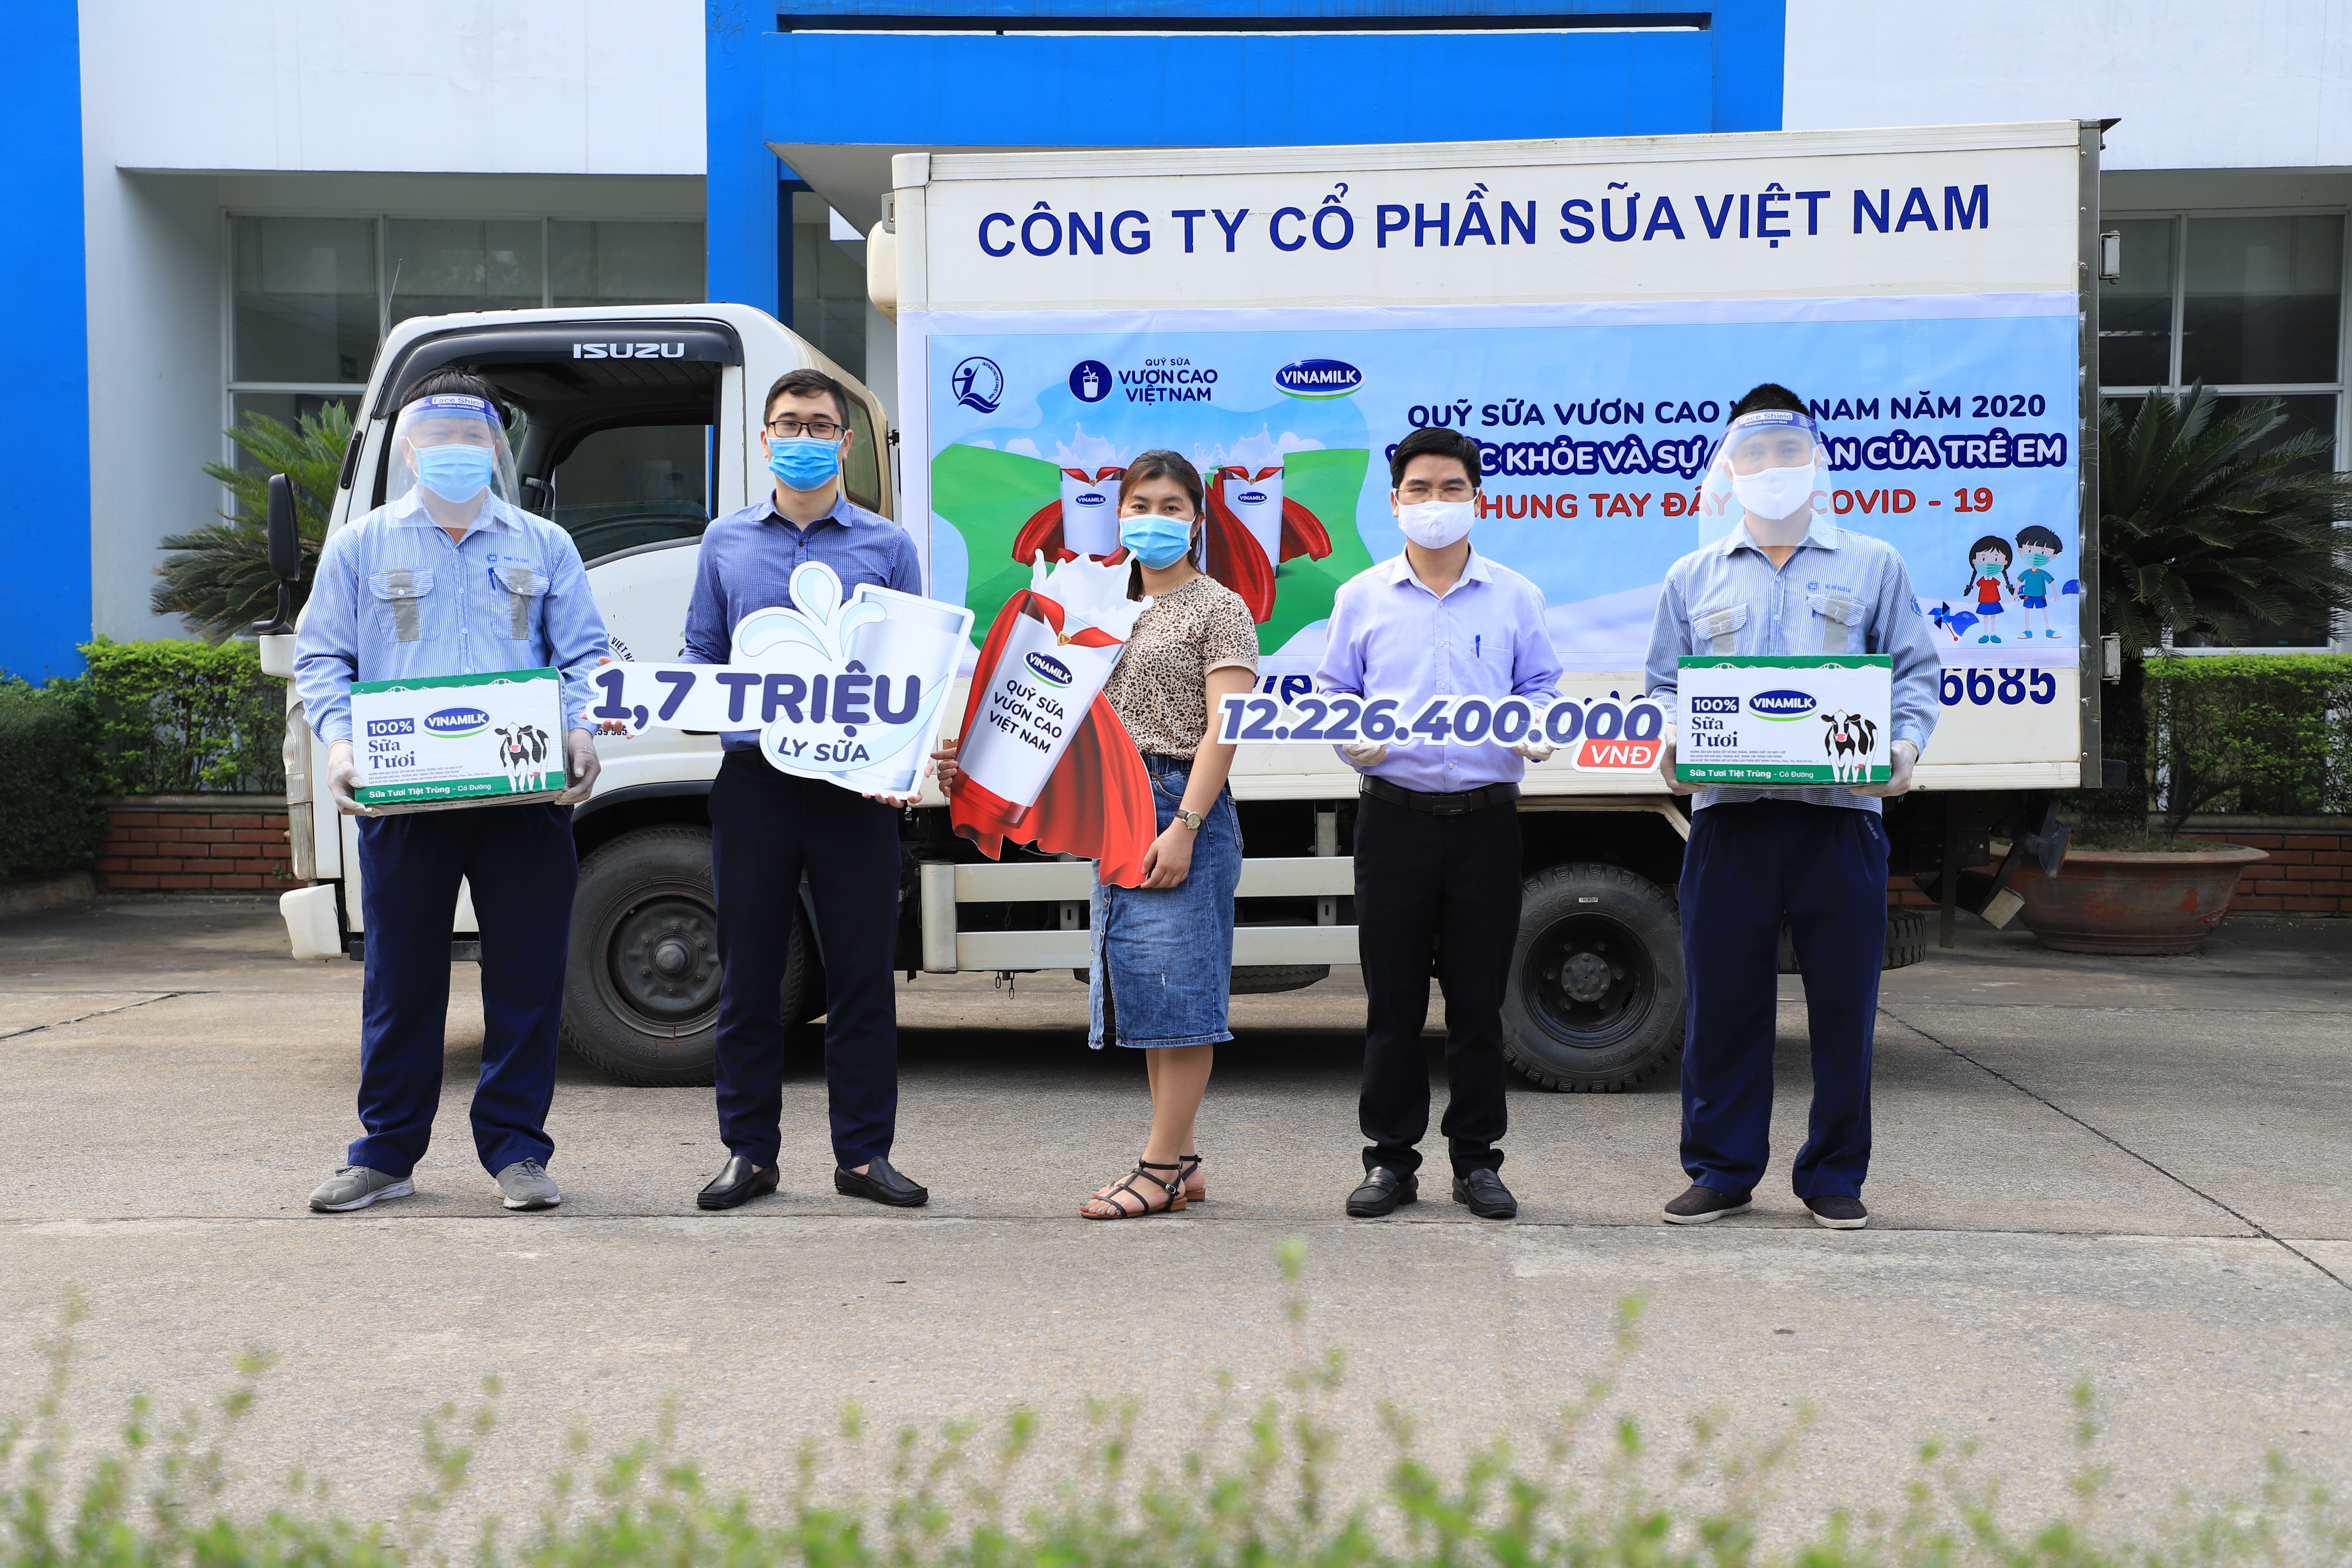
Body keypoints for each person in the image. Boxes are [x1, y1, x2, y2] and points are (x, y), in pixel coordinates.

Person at [295, 372, 609, 1214]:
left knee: (527, 977)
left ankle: (517, 1150)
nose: (456, 453)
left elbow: (585, 659)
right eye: (438, 438)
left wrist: (581, 730)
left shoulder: (544, 546)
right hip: (405, 805)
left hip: (524, 800)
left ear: (496, 448)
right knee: (401, 981)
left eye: (474, 439)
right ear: (407, 447)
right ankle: (387, 1152)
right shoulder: (362, 547)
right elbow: (322, 658)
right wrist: (340, 744)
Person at [1646, 384, 1942, 1231]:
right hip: (1728, 821)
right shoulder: (1691, 575)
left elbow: (1915, 672)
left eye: (1787, 453)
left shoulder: (1873, 564)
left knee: (1844, 1004)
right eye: (1754, 456)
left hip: (1840, 818)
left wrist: (1905, 749)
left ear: (1815, 461)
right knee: (1723, 1002)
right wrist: (1670, 743)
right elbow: (1667, 684)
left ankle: (1834, 1174)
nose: (1772, 469)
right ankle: (1721, 1168)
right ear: (1729, 469)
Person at [945, 450, 1257, 1217]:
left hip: (1183, 800)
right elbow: (1050, 712)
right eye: (1139, 503)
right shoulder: (1099, 605)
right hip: (1122, 803)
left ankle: (1155, 1167)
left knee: (1181, 991)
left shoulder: (1221, 607)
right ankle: (1181, 1163)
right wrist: (980, 760)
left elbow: (1228, 726)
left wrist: (1186, 825)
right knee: (1150, 987)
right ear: (1117, 514)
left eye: (1172, 505)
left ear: (1197, 518)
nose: (1154, 518)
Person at [688, 367, 934, 1213]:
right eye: (788, 423)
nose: (803, 437)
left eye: (819, 424)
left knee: (863, 976)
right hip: (754, 784)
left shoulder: (886, 546)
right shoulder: (724, 542)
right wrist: (652, 695)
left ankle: (864, 1155)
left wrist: (902, 768)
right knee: (748, 977)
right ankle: (749, 1153)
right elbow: (701, 657)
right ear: (763, 439)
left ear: (846, 440)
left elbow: (915, 669)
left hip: (854, 791)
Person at [1314, 426, 1561, 1221]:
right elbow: (1334, 695)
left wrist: (1538, 722)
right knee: (1392, 1002)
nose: (1435, 503)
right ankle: (1390, 1160)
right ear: (1394, 502)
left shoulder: (1517, 596)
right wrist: (1350, 736)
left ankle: (1477, 1161)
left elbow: (1544, 684)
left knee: (1478, 1002)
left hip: (1487, 822)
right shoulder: (1361, 597)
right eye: (1419, 490)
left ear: (1477, 498)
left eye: (1451, 488)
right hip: (1395, 820)